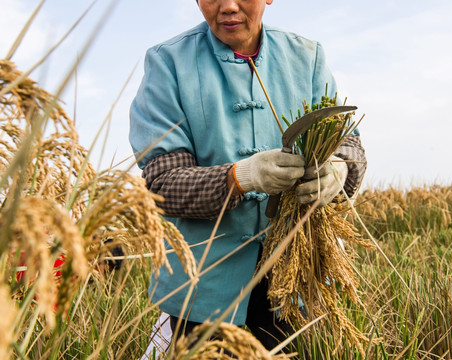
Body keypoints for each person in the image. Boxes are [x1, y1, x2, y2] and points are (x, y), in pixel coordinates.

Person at [129, 0, 367, 353]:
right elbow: (162, 183)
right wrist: (242, 176)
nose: (227, 6)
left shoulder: (307, 57)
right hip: (203, 285)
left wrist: (339, 169)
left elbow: (349, 143)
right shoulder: (169, 63)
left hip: (292, 280)